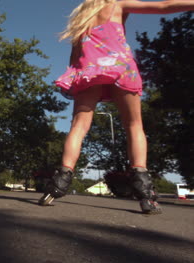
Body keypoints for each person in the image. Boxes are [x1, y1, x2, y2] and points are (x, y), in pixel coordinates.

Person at [38, 0, 194, 214]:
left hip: (89, 71)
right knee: (134, 125)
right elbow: (164, 6)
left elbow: (75, 58)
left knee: (78, 127)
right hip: (121, 68)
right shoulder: (117, 4)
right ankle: (145, 194)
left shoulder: (81, 17)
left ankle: (58, 184)